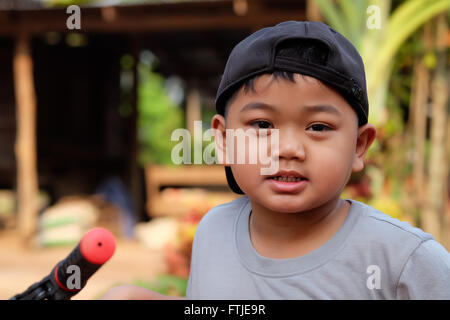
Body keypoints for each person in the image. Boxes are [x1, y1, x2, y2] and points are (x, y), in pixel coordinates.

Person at [101, 20, 450, 300]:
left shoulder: (404, 259)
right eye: (263, 125)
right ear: (224, 140)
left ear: (359, 145)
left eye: (317, 126)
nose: (287, 149)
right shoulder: (214, 231)